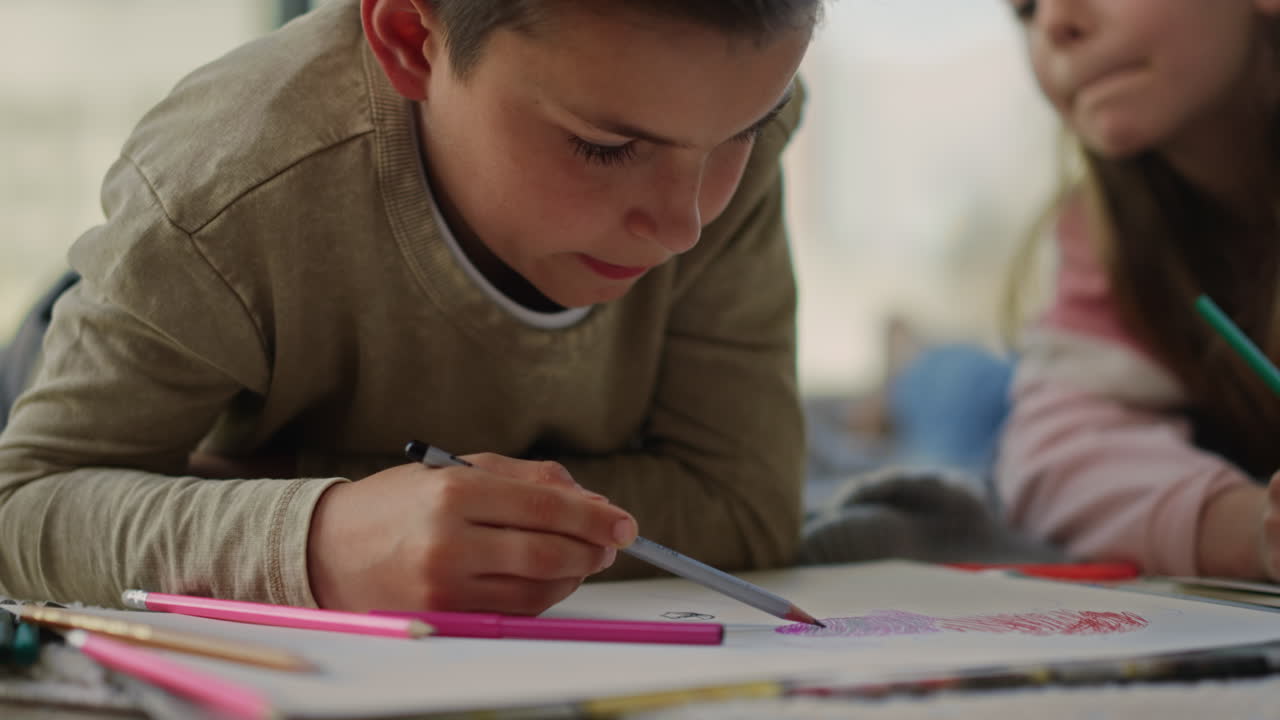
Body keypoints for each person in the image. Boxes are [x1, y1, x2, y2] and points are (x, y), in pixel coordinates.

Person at [0, 0, 817, 614]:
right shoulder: (218, 193)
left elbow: (746, 510)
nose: (683, 226)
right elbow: (22, 507)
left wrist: (287, 493)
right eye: (605, 146)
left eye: (747, 130)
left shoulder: (703, 111)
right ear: (408, 39)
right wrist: (318, 541)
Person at [997, 0, 1280, 580]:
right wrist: (1255, 529)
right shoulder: (1102, 235)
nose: (1054, 22)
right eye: (1023, 6)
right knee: (961, 390)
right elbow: (1057, 454)